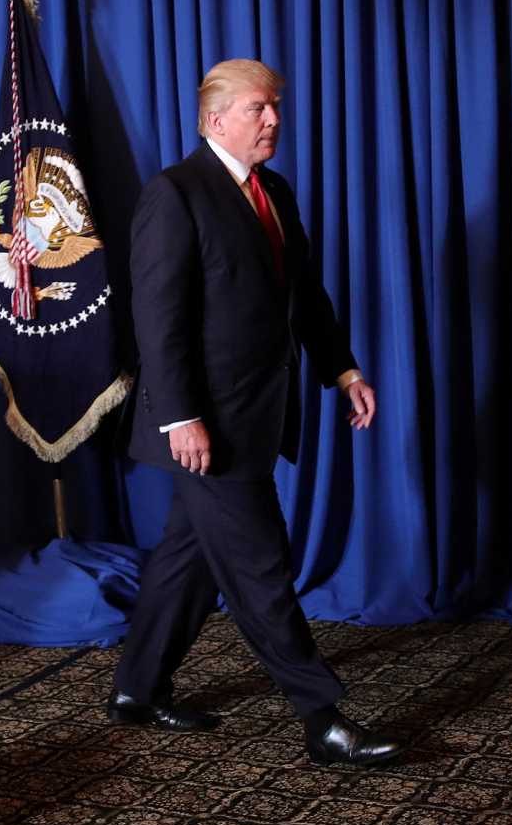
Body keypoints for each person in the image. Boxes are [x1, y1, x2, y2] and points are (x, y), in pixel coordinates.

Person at [108, 59, 404, 767]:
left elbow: (302, 290)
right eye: (258, 109)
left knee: (188, 559)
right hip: (203, 426)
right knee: (261, 565)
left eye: (275, 107)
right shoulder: (174, 194)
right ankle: (322, 717)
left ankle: (136, 689)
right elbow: (159, 320)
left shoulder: (273, 191)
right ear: (216, 120)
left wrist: (343, 368)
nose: (273, 119)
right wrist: (180, 418)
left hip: (253, 412)